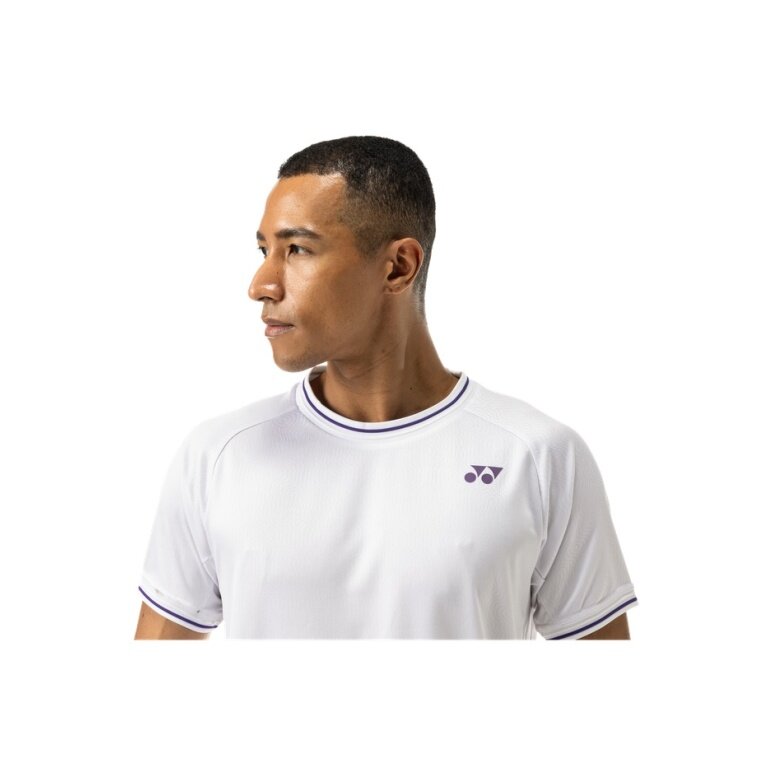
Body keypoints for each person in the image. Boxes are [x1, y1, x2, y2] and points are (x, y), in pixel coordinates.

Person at [134, 136, 638, 640]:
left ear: (398, 267)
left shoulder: (538, 455)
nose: (261, 284)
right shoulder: (217, 457)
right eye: (265, 250)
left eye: (297, 249)